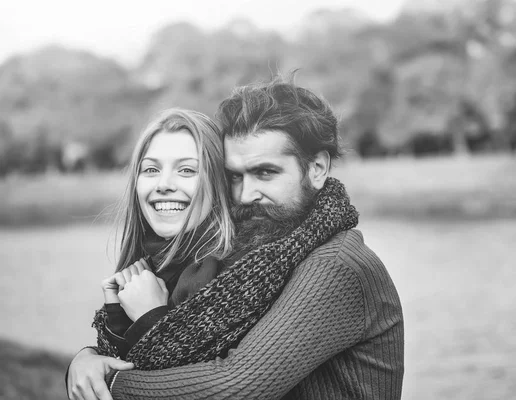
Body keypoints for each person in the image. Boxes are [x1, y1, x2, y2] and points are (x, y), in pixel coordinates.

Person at [68, 75, 404, 400]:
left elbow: (233, 387)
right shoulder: (256, 263)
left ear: (316, 168)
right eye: (234, 176)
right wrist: (88, 357)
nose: (245, 194)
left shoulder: (335, 266)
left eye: (265, 172)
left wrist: (109, 379)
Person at [66, 108, 234, 400]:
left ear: (219, 183)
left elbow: (207, 387)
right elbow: (128, 363)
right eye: (151, 169)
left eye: (187, 170)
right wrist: (88, 360)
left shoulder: (237, 274)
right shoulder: (149, 268)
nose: (163, 184)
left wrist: (151, 316)